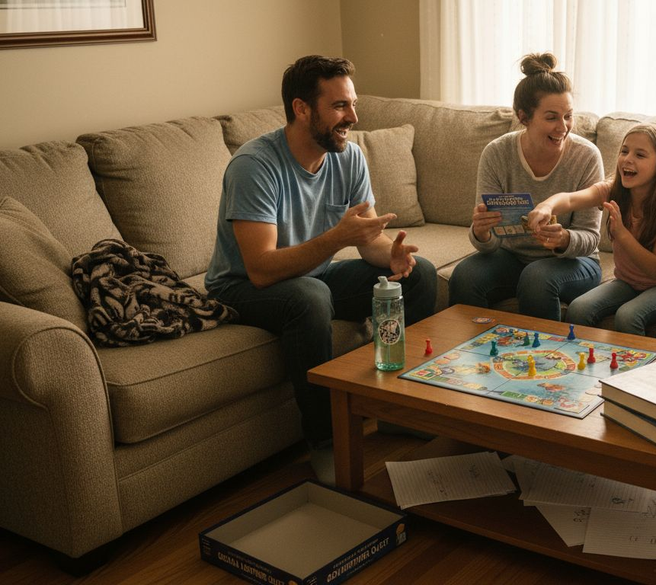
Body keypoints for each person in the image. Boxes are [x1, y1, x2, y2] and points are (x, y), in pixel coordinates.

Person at [203, 55, 437, 478]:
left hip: (311, 274)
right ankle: (325, 440)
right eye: (340, 106)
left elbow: (367, 243)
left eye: (352, 103)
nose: (353, 116)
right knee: (312, 297)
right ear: (301, 108)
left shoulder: (347, 157)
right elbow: (260, 268)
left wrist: (392, 254)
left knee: (419, 275)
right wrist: (336, 238)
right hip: (242, 287)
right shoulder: (255, 166)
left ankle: (397, 409)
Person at [447, 53, 604, 321]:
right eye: (552, 117)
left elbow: (591, 237)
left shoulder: (586, 156)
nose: (563, 127)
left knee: (536, 278)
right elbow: (488, 244)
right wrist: (482, 233)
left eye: (568, 116)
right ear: (524, 117)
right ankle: (473, 357)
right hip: (512, 257)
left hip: (574, 262)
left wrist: (564, 239)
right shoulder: (497, 153)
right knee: (465, 275)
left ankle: (545, 361)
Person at [527, 124, 656, 335]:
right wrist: (546, 206)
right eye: (624, 151)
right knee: (579, 309)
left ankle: (635, 368)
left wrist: (623, 235)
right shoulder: (613, 189)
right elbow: (570, 199)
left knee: (628, 316)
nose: (627, 159)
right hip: (627, 282)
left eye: (640, 155)